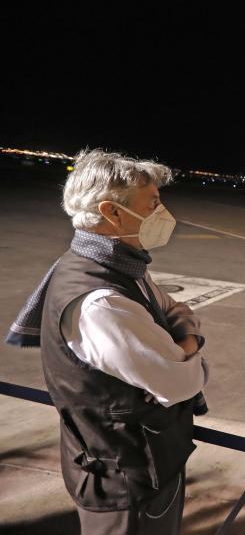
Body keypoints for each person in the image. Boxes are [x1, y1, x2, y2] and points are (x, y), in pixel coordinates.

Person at [5, 149, 209, 534]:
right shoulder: (101, 302)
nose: (163, 215)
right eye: (153, 204)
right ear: (112, 213)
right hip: (127, 479)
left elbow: (175, 308)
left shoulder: (115, 266)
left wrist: (180, 340)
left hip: (135, 463)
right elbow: (180, 381)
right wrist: (191, 344)